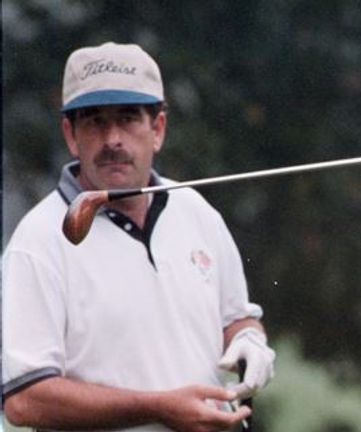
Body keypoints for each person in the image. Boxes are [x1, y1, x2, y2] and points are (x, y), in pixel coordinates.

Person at [2, 42, 275, 431]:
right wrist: (158, 407)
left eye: (128, 118)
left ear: (158, 129)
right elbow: (25, 400)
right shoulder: (38, 240)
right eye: (95, 121)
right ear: (71, 134)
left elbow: (235, 318)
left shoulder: (195, 211)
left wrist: (251, 342)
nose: (113, 139)